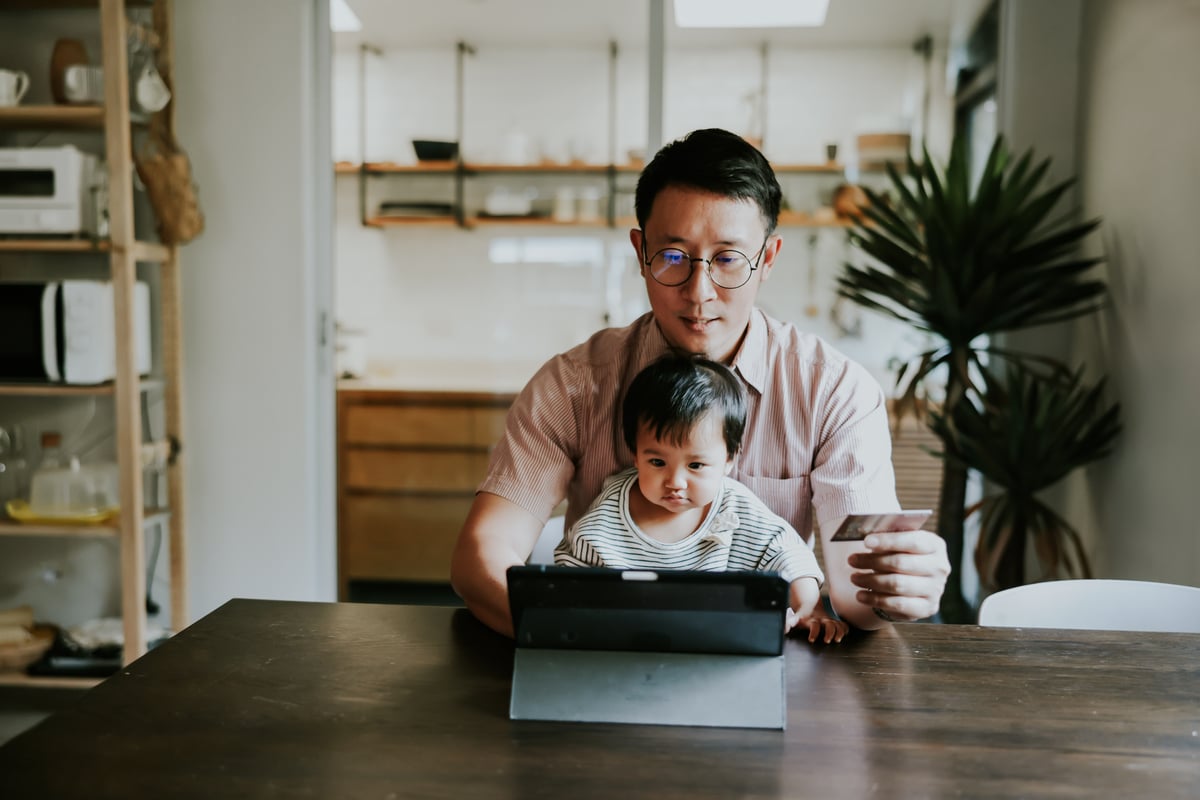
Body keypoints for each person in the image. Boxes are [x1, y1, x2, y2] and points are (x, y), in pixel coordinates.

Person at [451, 127, 950, 637]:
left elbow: (855, 593)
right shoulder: (572, 386)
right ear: (641, 251)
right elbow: (481, 555)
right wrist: (575, 633)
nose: (699, 293)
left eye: (729, 259)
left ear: (768, 259)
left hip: (766, 661)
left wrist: (896, 585)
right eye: (673, 257)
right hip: (602, 659)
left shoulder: (834, 392)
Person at [554, 353, 849, 643]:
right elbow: (566, 583)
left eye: (695, 465)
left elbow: (787, 553)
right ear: (635, 454)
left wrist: (810, 607)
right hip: (630, 647)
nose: (675, 482)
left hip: (723, 647)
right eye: (657, 462)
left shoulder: (735, 508)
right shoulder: (606, 520)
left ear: (729, 460)